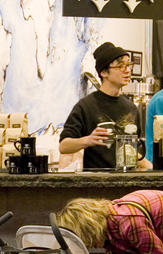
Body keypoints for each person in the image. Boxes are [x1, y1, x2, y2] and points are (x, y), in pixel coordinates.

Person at [59, 42, 151, 170]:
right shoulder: (86, 106)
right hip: (98, 184)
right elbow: (64, 146)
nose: (128, 70)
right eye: (120, 66)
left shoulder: (131, 108)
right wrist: (88, 140)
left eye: (129, 65)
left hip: (129, 181)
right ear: (103, 72)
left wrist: (151, 168)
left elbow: (133, 151)